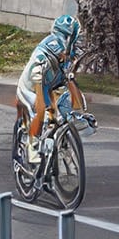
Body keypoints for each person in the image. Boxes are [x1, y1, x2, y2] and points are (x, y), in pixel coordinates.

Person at [14, 14, 86, 166]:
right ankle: (32, 145)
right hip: (31, 87)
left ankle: (63, 147)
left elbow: (69, 82)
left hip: (50, 86)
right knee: (42, 114)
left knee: (64, 112)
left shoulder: (66, 54)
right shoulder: (46, 55)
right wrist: (42, 107)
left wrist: (78, 110)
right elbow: (37, 79)